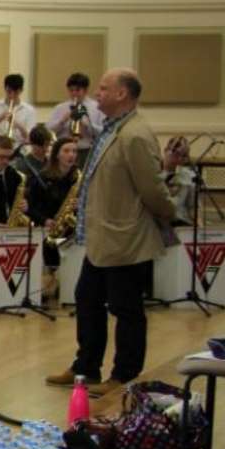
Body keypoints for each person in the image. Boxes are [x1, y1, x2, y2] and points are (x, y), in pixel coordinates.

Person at [47, 70, 175, 394]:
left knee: (125, 308)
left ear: (122, 95)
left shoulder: (135, 134)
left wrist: (170, 215)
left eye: (104, 89)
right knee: (87, 299)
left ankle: (123, 376)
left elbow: (152, 188)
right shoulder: (110, 128)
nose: (97, 94)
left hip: (126, 238)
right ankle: (86, 367)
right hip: (103, 237)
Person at [29, 135, 80, 278]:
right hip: (49, 231)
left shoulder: (78, 178)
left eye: (75, 151)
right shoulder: (43, 177)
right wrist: (45, 220)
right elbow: (30, 207)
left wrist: (80, 204)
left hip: (72, 231)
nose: (71, 155)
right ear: (56, 154)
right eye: (66, 151)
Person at [47, 72, 105, 156]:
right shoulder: (60, 108)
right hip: (64, 151)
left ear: (85, 90)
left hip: (87, 150)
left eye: (77, 90)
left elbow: (103, 132)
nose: (74, 93)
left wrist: (87, 125)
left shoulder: (97, 108)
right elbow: (48, 131)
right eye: (71, 90)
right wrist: (62, 121)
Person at [0, 73, 37, 144]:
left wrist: (18, 125)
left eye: (16, 93)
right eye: (9, 92)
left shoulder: (29, 110)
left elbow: (31, 138)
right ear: (5, 89)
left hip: (19, 148)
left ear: (21, 90)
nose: (12, 95)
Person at [161, 136, 195, 226]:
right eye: (176, 154)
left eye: (184, 156)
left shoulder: (189, 176)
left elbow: (193, 207)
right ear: (165, 151)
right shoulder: (153, 173)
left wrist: (199, 228)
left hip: (181, 222)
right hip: (158, 224)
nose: (179, 159)